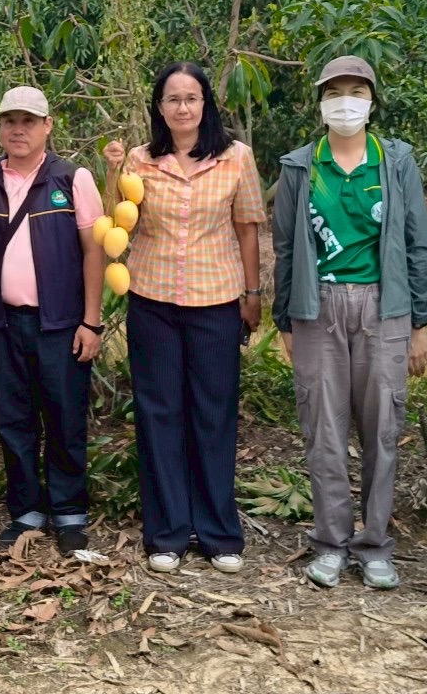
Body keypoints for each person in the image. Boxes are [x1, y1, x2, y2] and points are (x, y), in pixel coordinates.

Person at [272, 55, 427, 591]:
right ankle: (331, 543)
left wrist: (420, 321)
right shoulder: (300, 166)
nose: (346, 101)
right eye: (335, 91)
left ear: (371, 99)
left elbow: (417, 243)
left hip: (383, 307)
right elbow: (285, 246)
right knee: (323, 429)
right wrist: (285, 321)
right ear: (321, 102)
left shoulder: (395, 162)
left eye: (357, 91)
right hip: (316, 307)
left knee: (382, 428)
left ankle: (375, 544)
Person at [102, 62, 264, 574]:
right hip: (152, 301)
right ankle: (167, 533)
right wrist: (111, 171)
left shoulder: (237, 158)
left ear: (206, 104)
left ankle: (218, 533)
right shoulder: (140, 159)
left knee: (213, 415)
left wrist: (253, 292)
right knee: (159, 414)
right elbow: (116, 222)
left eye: (191, 98)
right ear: (159, 108)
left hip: (216, 301)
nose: (182, 108)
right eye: (172, 99)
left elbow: (247, 230)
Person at [0, 87, 106, 554]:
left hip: (61, 324)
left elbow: (94, 251)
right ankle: (25, 512)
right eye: (9, 121)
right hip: (2, 324)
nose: (18, 129)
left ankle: (69, 513)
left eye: (28, 120)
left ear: (47, 126)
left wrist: (92, 322)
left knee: (64, 417)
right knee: (14, 420)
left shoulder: (72, 178)